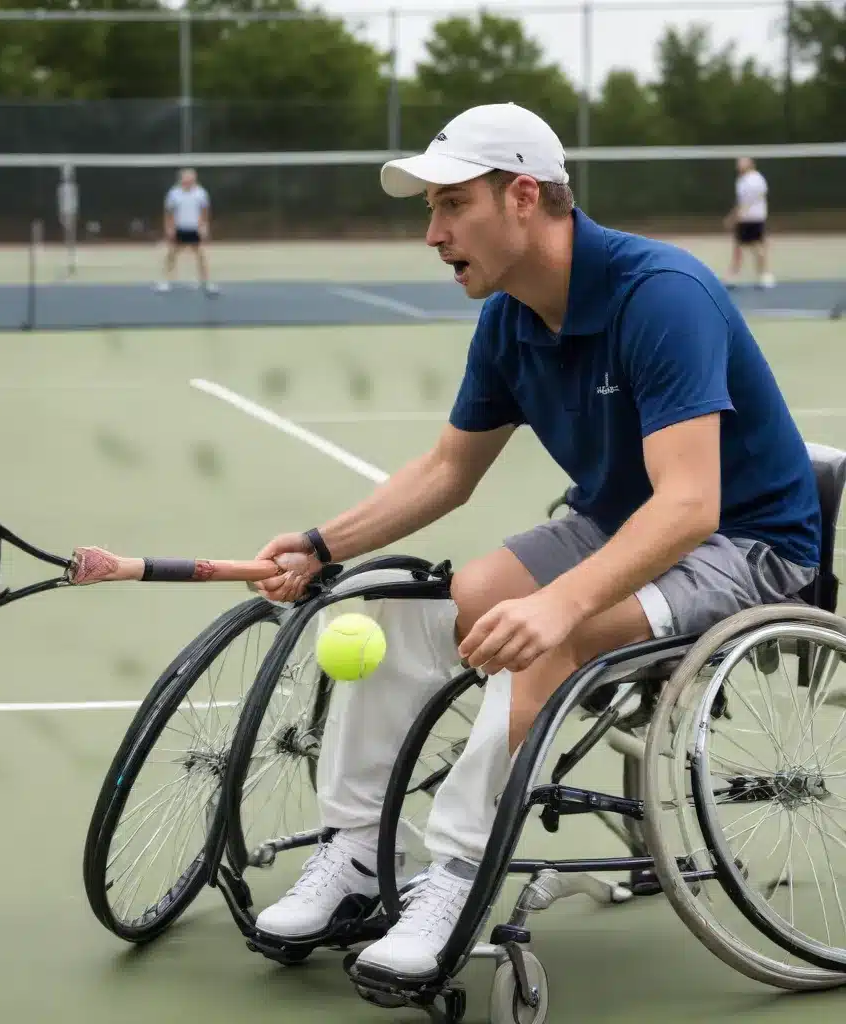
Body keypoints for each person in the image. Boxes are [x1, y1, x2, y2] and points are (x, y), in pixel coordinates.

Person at [248, 103, 820, 979]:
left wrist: (560, 604)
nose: (433, 233)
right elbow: (447, 469)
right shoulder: (511, 316)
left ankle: (460, 874)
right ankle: (360, 850)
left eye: (451, 206)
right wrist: (326, 545)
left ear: (523, 196)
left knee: (550, 636)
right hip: (620, 519)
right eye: (429, 211)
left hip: (746, 544)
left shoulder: (660, 295)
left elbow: (691, 506)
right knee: (409, 610)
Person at [157, 168, 218, 295]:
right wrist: (169, 228)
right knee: (172, 255)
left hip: (195, 228)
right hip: (179, 228)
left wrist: (204, 226)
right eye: (186, 179)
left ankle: (206, 282)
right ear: (181, 179)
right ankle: (164, 281)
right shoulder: (174, 193)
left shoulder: (201, 193)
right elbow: (169, 212)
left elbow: (205, 211)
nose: (189, 181)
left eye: (191, 179)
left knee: (201, 255)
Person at [723, 156, 776, 289]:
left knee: (753, 247)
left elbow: (746, 202)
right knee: (742, 248)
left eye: (742, 163)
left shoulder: (754, 180)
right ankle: (735, 276)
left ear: (750, 164)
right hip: (748, 218)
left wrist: (733, 218)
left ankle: (764, 276)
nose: (739, 165)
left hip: (751, 218)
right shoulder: (744, 180)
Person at [56, 163, 79, 278]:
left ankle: (71, 256)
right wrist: (61, 214)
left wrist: (74, 212)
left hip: (70, 212)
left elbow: (75, 200)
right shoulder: (61, 188)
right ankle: (69, 255)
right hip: (66, 212)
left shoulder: (73, 187)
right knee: (67, 235)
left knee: (71, 235)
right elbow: (60, 201)